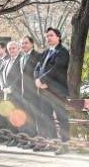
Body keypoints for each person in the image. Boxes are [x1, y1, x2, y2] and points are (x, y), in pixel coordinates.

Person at [34, 27, 70, 155]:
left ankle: (65, 145)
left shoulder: (63, 52)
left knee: (61, 118)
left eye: (51, 35)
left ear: (58, 37)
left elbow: (56, 69)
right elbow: (37, 67)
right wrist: (37, 79)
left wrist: (43, 80)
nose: (48, 38)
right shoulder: (45, 52)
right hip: (44, 92)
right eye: (47, 36)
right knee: (47, 118)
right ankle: (53, 143)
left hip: (57, 91)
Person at [19, 36, 42, 147]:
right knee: (28, 118)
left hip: (35, 92)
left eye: (26, 43)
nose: (24, 45)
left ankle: (39, 141)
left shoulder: (37, 56)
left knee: (36, 118)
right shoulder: (22, 58)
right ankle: (31, 141)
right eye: (22, 44)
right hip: (25, 93)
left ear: (32, 44)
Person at [1, 41, 22, 145]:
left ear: (18, 49)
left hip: (16, 93)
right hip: (7, 94)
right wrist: (3, 87)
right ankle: (12, 138)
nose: (12, 50)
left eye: (13, 48)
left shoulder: (21, 60)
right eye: (10, 49)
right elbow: (2, 76)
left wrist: (11, 88)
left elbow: (21, 76)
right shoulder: (7, 61)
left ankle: (18, 139)